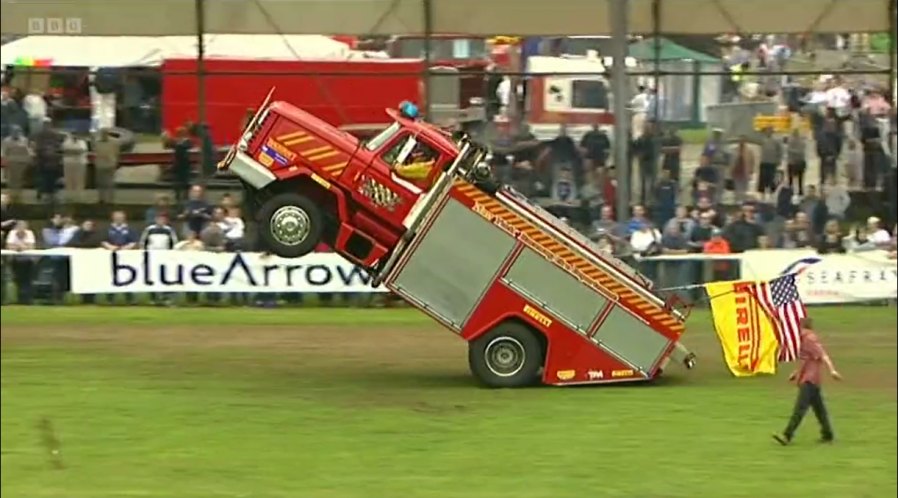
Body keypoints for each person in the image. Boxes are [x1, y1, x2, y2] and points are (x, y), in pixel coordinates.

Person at [773, 317, 841, 446]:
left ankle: (787, 435)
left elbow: (823, 355)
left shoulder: (809, 339)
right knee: (820, 410)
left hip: (809, 379)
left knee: (800, 409)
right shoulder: (805, 339)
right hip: (810, 379)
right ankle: (828, 435)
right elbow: (806, 359)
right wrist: (796, 373)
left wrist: (832, 370)